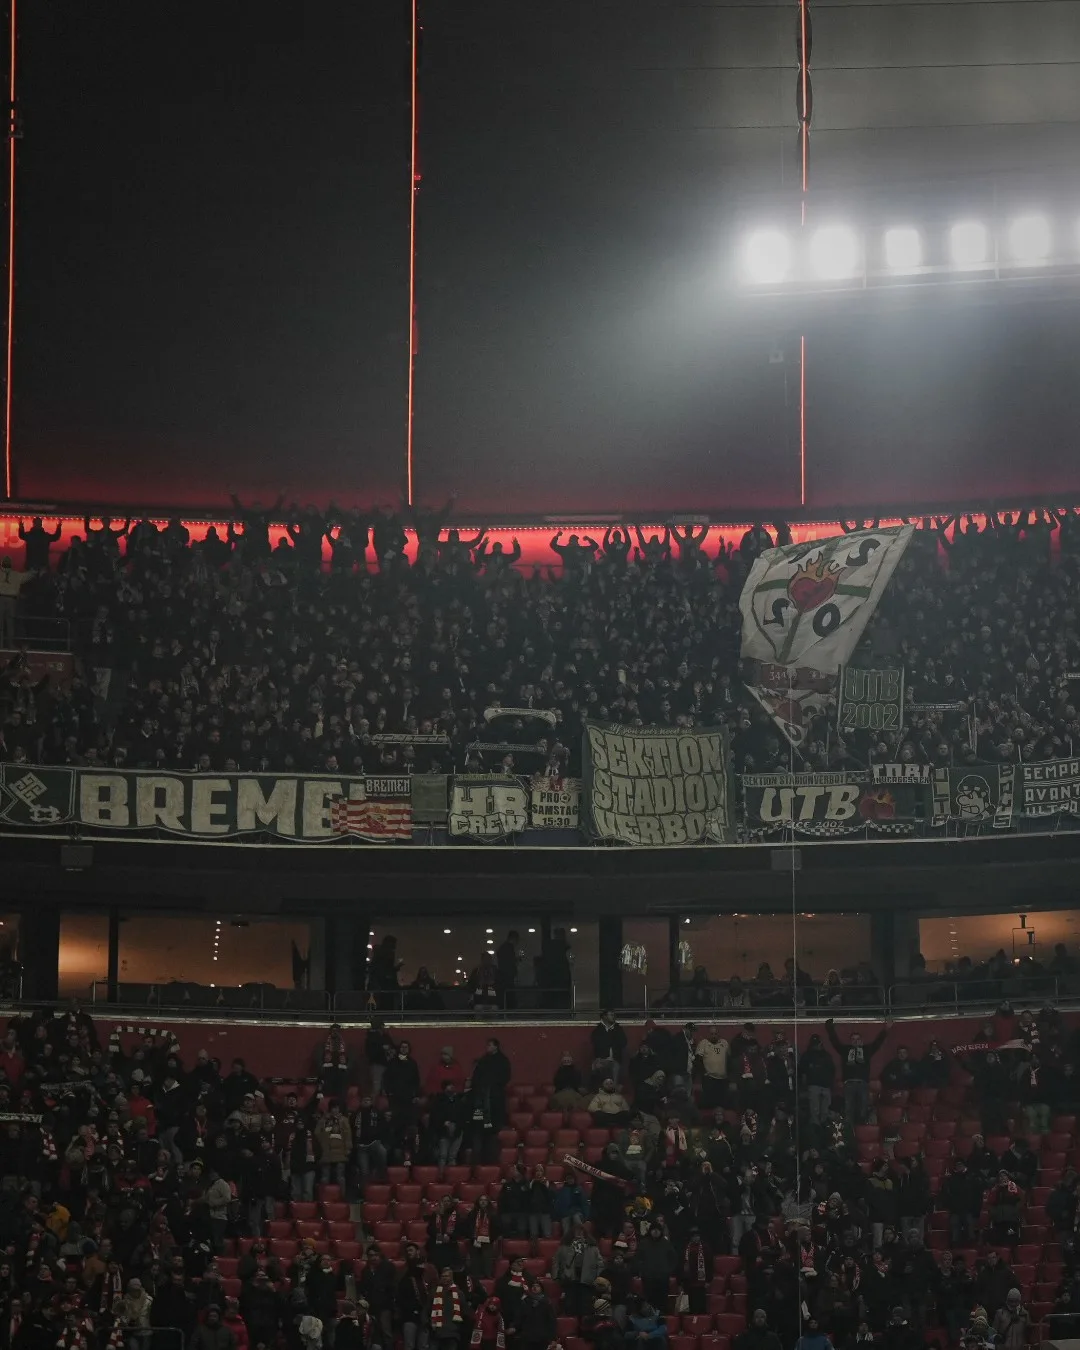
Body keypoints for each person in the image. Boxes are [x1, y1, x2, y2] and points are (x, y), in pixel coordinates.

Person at [825, 1019, 890, 1125]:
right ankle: (849, 1134)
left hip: (862, 1083)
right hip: (849, 1083)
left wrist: (886, 1029)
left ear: (861, 1040)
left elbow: (878, 1042)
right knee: (848, 1110)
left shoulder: (867, 1050)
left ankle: (861, 1132)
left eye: (857, 1039)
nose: (855, 1041)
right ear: (850, 1041)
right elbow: (835, 1042)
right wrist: (830, 1029)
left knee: (862, 1109)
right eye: (853, 1039)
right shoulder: (845, 1050)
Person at [314, 1103, 352, 1190]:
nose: (335, 1110)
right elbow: (317, 1133)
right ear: (330, 1109)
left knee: (340, 1177)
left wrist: (348, 1149)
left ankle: (341, 1199)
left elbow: (348, 1136)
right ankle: (324, 1199)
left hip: (340, 1152)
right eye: (333, 1108)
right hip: (326, 1152)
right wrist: (323, 1119)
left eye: (336, 1108)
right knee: (324, 1178)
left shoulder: (344, 1120)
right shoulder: (324, 1121)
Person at [591, 1012, 628, 1087]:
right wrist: (598, 1059)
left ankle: (613, 1090)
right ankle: (600, 1091)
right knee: (596, 1066)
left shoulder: (618, 1029)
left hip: (615, 1060)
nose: (613, 1016)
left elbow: (624, 1043)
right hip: (602, 1059)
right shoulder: (598, 1030)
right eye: (611, 1015)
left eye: (614, 1015)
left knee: (615, 1067)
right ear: (604, 1016)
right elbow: (596, 1044)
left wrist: (613, 1032)